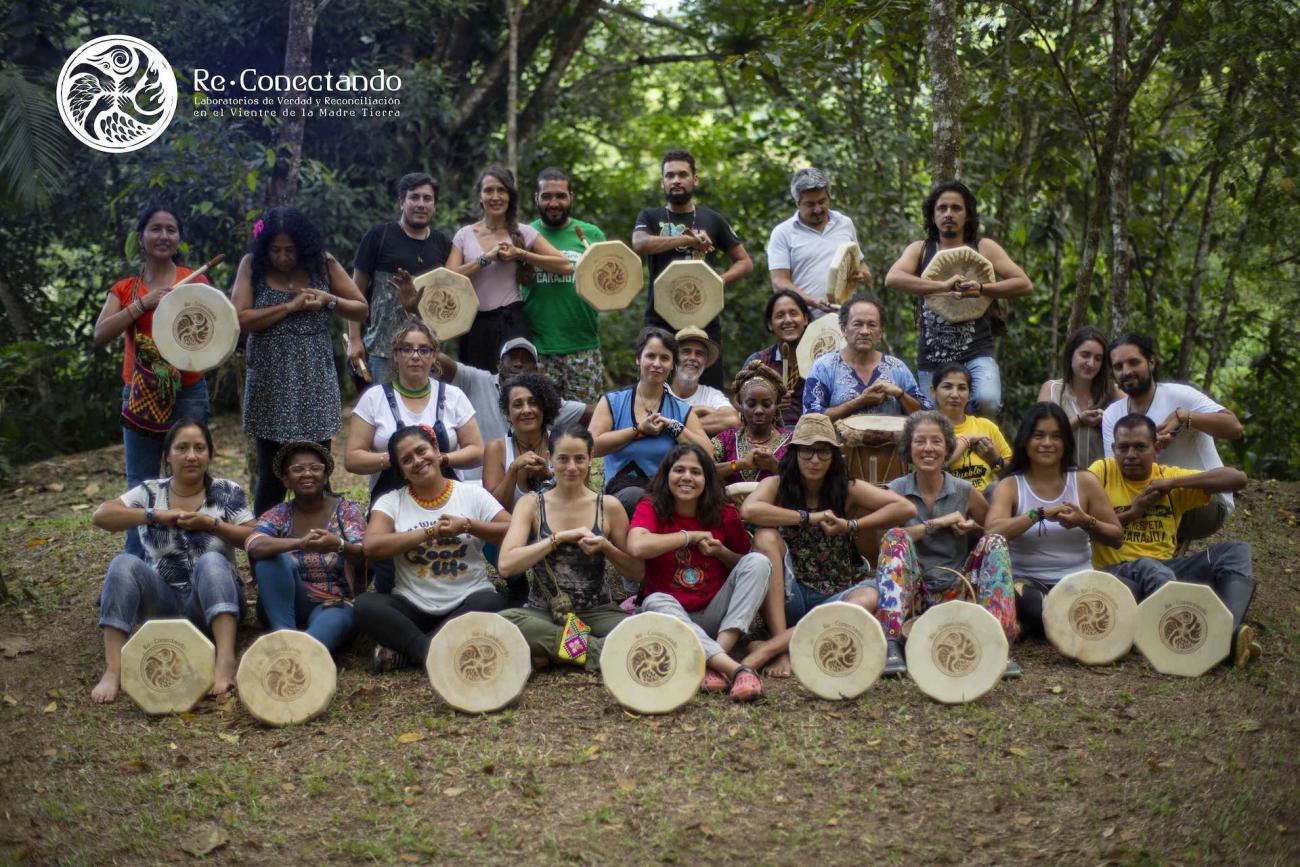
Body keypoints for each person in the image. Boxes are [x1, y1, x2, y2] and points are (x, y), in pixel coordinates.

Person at [89, 419, 255, 703]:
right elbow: (101, 516)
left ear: (209, 454)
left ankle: (225, 662)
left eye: (200, 448)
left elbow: (254, 537)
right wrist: (154, 515)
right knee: (123, 563)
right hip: (164, 606)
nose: (192, 455)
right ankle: (114, 670)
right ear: (168, 455)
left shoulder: (226, 490)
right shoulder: (149, 492)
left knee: (212, 560)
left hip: (213, 601)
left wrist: (212, 524)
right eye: (182, 448)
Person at [738, 414, 916, 676]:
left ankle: (771, 648)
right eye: (807, 452)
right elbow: (749, 510)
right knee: (765, 537)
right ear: (795, 454)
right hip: (789, 594)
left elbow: (905, 507)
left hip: (834, 596)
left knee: (869, 596)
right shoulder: (776, 485)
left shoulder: (846, 487)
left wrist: (850, 525)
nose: (814, 460)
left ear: (833, 456)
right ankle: (784, 645)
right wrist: (807, 518)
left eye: (822, 452)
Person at [93, 203, 216, 560]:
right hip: (141, 395)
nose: (164, 236)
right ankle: (135, 567)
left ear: (178, 239)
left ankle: (194, 560)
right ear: (141, 238)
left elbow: (214, 333)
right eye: (156, 229)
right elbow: (100, 335)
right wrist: (142, 304)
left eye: (171, 230)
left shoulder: (196, 281)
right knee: (140, 483)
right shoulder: (126, 289)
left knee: (190, 476)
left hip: (189, 390)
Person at [1088, 413, 1259, 665]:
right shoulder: (1101, 472)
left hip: (1167, 571)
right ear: (1114, 449)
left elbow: (1237, 479)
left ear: (1156, 448)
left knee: (1237, 550)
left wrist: (1173, 483)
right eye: (1123, 447)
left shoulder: (1167, 477)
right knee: (1148, 566)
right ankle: (1186, 641)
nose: (1131, 455)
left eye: (1140, 447)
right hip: (1118, 574)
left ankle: (1228, 633)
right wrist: (1134, 512)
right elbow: (1090, 526)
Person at [233, 206, 369, 517]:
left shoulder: (323, 263)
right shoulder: (252, 265)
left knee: (317, 465)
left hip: (314, 378)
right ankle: (265, 546)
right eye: (276, 250)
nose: (282, 257)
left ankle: (321, 545)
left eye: (290, 250)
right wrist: (289, 307)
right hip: (270, 380)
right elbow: (239, 318)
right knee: (272, 473)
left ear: (304, 246)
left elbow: (361, 309)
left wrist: (328, 300)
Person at [354, 425, 512, 672]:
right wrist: (428, 532)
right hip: (412, 604)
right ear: (401, 472)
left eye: (421, 451)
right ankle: (435, 651)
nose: (417, 461)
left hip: (468, 598)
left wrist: (468, 526)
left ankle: (413, 651)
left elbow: (512, 529)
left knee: (493, 603)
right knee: (365, 605)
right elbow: (371, 547)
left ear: (437, 451)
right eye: (407, 460)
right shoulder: (390, 501)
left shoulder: (471, 494)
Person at [875, 411, 1019, 676]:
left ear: (947, 448)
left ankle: (1001, 643)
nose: (928, 449)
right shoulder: (894, 490)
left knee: (995, 541)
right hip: (913, 591)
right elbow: (883, 542)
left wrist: (971, 528)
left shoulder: (964, 490)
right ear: (909, 448)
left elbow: (988, 530)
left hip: (958, 587)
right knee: (895, 536)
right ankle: (891, 643)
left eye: (936, 441)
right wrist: (937, 523)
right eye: (920, 441)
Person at [626, 443, 773, 701]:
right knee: (655, 600)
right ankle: (733, 668)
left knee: (759, 562)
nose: (686, 478)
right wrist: (689, 536)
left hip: (714, 615)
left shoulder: (724, 512)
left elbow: (743, 562)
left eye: (695, 472)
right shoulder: (651, 506)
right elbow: (637, 546)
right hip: (672, 615)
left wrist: (720, 553)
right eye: (679, 470)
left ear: (706, 478)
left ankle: (714, 658)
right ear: (666, 475)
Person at [344, 319, 483, 592]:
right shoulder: (374, 399)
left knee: (451, 576)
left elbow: (477, 451)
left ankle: (506, 590)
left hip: (446, 499)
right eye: (406, 349)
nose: (415, 356)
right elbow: (352, 458)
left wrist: (440, 460)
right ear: (395, 355)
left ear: (434, 356)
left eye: (423, 349)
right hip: (393, 501)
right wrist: (398, 460)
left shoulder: (452, 396)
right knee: (391, 587)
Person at [498, 424, 643, 671]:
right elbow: (506, 566)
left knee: (642, 632)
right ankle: (594, 649)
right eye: (563, 459)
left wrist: (606, 547)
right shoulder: (531, 504)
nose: (572, 467)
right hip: (545, 612)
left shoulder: (608, 506)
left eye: (580, 458)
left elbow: (637, 573)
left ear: (590, 459)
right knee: (504, 623)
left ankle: (557, 651)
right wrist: (557, 539)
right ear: (550, 459)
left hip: (598, 611)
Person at [884, 180, 1033, 415]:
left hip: (977, 352)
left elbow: (1024, 284)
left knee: (987, 401)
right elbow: (892, 278)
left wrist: (982, 289)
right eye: (942, 208)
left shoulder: (984, 247)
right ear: (932, 216)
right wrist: (942, 286)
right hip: (933, 357)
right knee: (933, 419)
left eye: (956, 208)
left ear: (968, 215)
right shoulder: (921, 249)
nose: (948, 214)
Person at [984, 403, 1122, 637]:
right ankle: (1062, 621)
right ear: (1026, 441)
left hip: (1078, 580)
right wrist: (1038, 514)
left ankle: (1058, 621)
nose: (1047, 443)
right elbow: (992, 533)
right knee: (1031, 604)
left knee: (1125, 592)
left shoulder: (1084, 481)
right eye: (1038, 435)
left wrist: (1085, 521)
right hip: (1026, 583)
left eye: (1056, 436)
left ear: (1066, 443)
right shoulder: (1010, 485)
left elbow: (1116, 537)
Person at [1101, 332, 1243, 544]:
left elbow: (1234, 428)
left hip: (1205, 500)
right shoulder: (1113, 414)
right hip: (1147, 499)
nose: (1127, 371)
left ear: (1151, 362)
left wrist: (1186, 417)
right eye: (1119, 366)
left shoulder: (1179, 395)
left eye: (1133, 362)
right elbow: (1117, 469)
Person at [632, 150, 754, 388]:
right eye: (670, 175)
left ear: (694, 179)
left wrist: (717, 280)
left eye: (682, 174)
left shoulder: (712, 219)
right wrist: (686, 240)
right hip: (659, 318)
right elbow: (640, 243)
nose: (676, 180)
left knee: (707, 388)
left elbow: (745, 263)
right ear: (662, 182)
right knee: (655, 387)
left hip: (704, 318)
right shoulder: (651, 216)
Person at [445, 165, 572, 369]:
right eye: (488, 190)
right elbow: (446, 280)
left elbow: (565, 265)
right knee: (478, 390)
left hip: (512, 323)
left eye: (501, 190)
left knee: (517, 388)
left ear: (510, 196)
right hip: (474, 324)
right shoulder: (464, 235)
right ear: (480, 196)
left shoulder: (523, 232)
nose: (495, 196)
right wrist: (484, 260)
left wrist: (521, 254)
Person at [245, 442, 367, 653]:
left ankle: (296, 653)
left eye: (315, 468)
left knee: (314, 643)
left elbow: (365, 555)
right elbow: (254, 545)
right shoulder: (279, 513)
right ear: (286, 479)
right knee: (270, 556)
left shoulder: (346, 510)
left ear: (326, 476)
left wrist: (338, 545)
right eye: (298, 469)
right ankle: (284, 635)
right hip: (283, 604)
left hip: (333, 604)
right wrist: (299, 543)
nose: (307, 474)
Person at [590, 327, 711, 518]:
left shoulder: (680, 410)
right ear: (638, 359)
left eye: (664, 358)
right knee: (635, 497)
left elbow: (707, 454)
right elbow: (591, 447)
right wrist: (638, 430)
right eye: (650, 356)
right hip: (621, 497)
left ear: (673, 365)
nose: (657, 364)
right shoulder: (613, 402)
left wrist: (674, 426)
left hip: (666, 496)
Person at [432, 336, 587, 483]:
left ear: (536, 369)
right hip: (473, 482)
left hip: (528, 486)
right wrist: (422, 344)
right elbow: (443, 364)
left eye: (526, 360)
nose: (519, 363)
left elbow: (591, 414)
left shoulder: (545, 401)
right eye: (512, 358)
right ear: (499, 365)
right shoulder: (476, 380)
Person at [347, 171, 451, 386]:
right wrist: (354, 339)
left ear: (435, 205)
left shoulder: (442, 244)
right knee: (383, 415)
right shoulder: (379, 235)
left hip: (427, 353)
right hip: (383, 352)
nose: (421, 204)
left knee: (424, 417)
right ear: (401, 202)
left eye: (427, 198)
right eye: (414, 197)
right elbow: (354, 291)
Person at [523, 167, 608, 403]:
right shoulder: (525, 235)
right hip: (539, 350)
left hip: (583, 347)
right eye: (547, 196)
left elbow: (607, 286)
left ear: (571, 197)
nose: (554, 203)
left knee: (586, 424)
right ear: (536, 198)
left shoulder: (592, 235)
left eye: (560, 196)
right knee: (539, 424)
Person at [802, 294, 928, 420]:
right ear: (843, 329)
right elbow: (811, 418)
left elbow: (925, 417)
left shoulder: (897, 368)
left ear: (881, 332)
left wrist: (900, 394)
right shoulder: (824, 367)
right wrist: (860, 402)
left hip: (892, 440)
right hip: (837, 440)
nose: (865, 331)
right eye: (857, 324)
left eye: (872, 325)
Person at [766, 167, 871, 315]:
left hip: (845, 318)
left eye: (822, 202)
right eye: (810, 204)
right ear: (797, 203)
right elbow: (779, 282)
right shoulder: (783, 233)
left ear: (829, 197)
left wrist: (862, 274)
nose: (817, 209)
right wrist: (813, 301)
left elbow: (862, 266)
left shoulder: (844, 223)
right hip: (804, 319)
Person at [1037, 326, 1121, 468]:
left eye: (1098, 358)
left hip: (1101, 483)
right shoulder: (1051, 389)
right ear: (1071, 355)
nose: (1091, 363)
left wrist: (1109, 421)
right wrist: (1079, 420)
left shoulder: (1113, 392)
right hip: (1059, 479)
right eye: (1085, 355)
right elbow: (1039, 434)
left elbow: (1139, 419)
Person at [482, 372, 563, 511]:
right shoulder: (496, 449)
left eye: (533, 403)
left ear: (544, 407)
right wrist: (513, 470)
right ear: (508, 413)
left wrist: (549, 476)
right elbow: (492, 511)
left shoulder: (561, 443)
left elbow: (575, 498)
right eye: (518, 405)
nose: (526, 410)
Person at [931, 363, 1012, 494]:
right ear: (933, 392)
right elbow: (930, 469)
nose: (955, 394)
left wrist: (996, 460)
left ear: (969, 394)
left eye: (962, 388)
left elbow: (1015, 474)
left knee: (996, 488)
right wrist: (966, 440)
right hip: (945, 503)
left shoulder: (986, 426)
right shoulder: (927, 430)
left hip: (987, 504)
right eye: (947, 387)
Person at [712, 361, 792, 486]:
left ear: (776, 405)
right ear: (741, 405)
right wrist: (740, 464)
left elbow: (803, 483)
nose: (759, 410)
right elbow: (702, 472)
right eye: (751, 404)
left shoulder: (792, 442)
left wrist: (774, 466)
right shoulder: (726, 439)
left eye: (766, 404)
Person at [743, 289, 813, 427]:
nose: (788, 320)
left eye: (793, 313)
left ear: (805, 319)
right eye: (780, 315)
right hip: (770, 436)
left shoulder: (821, 359)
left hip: (814, 436)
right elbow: (740, 402)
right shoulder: (759, 361)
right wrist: (769, 403)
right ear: (770, 324)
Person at [671, 326, 740, 436]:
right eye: (686, 351)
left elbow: (732, 420)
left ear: (705, 361)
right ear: (673, 357)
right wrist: (702, 411)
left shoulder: (711, 395)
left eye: (699, 353)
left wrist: (673, 426)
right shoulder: (660, 391)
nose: (692, 357)